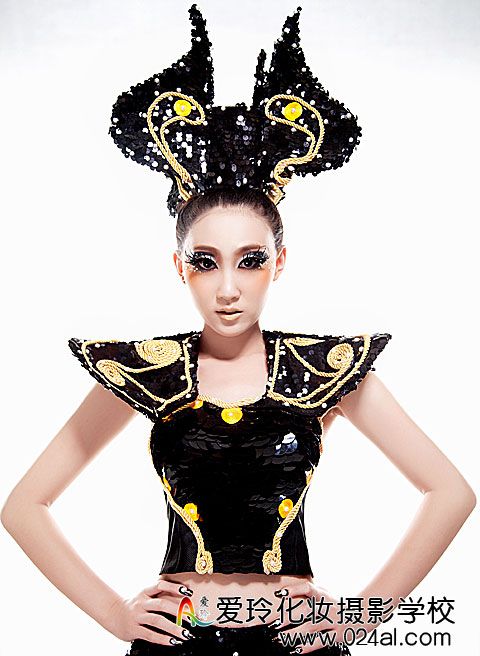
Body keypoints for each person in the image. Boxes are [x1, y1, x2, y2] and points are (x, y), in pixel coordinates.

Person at [1, 5, 476, 656]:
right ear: (180, 267)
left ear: (279, 263)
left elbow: (451, 493)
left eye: (250, 261)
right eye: (206, 262)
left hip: (296, 641)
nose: (228, 287)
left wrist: (358, 619)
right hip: (177, 638)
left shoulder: (322, 369)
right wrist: (113, 613)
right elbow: (23, 506)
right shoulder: (149, 370)